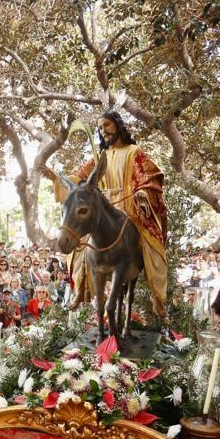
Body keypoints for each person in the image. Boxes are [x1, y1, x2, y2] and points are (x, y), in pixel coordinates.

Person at [45, 110, 169, 315]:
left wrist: (142, 193)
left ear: (118, 125)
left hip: (129, 206)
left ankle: (157, 296)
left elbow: (148, 177)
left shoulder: (134, 152)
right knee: (79, 243)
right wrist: (56, 178)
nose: (103, 131)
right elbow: (78, 178)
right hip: (101, 209)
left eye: (107, 125)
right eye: (100, 128)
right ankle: (81, 289)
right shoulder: (99, 157)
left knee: (151, 245)